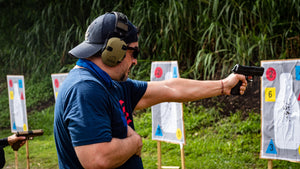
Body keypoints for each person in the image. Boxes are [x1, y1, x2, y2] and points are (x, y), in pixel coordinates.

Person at [54, 11, 247, 169]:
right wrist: (135, 142)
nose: (136, 60)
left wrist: (223, 86)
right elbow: (97, 159)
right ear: (114, 49)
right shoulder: (86, 89)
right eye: (133, 52)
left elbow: (170, 88)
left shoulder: (108, 84)